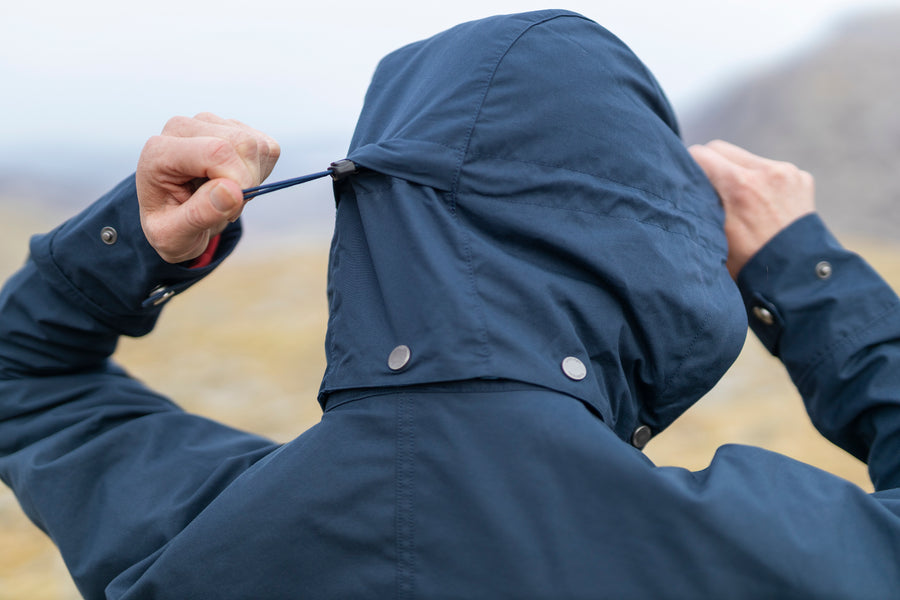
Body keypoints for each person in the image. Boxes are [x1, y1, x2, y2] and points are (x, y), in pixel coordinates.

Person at [1, 9, 898, 599]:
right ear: (657, 252)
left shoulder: (192, 534)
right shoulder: (778, 556)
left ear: (375, 215)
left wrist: (137, 239)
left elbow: (21, 379)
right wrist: (804, 271)